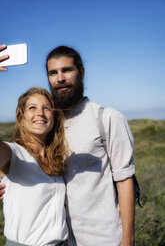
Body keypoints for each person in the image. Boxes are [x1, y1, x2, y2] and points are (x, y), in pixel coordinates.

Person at [1, 44, 135, 246]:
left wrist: (128, 240)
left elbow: (125, 180)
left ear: (81, 72)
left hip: (105, 239)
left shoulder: (107, 118)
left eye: (67, 70)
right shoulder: (48, 126)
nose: (60, 78)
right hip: (67, 241)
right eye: (53, 73)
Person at [0, 86, 68, 245]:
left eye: (47, 108)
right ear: (21, 118)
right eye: (32, 108)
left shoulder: (58, 158)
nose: (40, 113)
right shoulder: (14, 154)